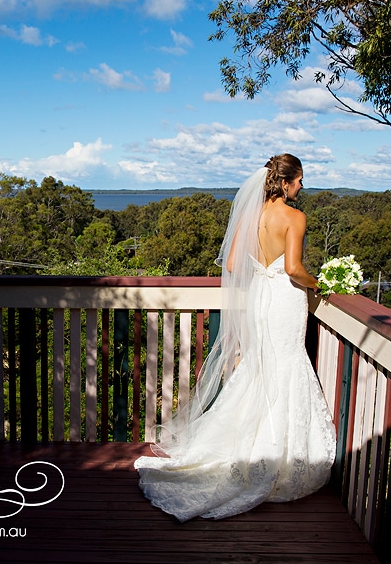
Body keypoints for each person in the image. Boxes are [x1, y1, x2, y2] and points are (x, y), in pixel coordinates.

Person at [134, 153, 337, 522]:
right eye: (301, 180)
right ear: (287, 181)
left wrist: (261, 271)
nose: (302, 186)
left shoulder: (251, 216)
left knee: (261, 368)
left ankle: (244, 447)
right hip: (285, 302)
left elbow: (231, 264)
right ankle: (277, 456)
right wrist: (322, 284)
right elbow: (293, 269)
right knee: (287, 365)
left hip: (260, 299)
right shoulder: (295, 217)